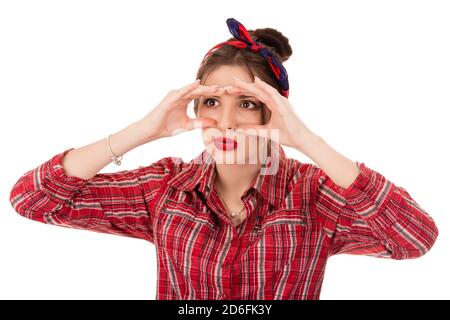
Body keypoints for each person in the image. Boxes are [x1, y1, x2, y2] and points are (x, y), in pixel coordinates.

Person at [9, 18, 439, 300]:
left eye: (247, 104)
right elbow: (32, 199)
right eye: (211, 101)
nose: (227, 122)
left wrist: (307, 141)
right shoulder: (165, 190)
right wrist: (143, 130)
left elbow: (414, 237)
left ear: (275, 110)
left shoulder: (314, 193)